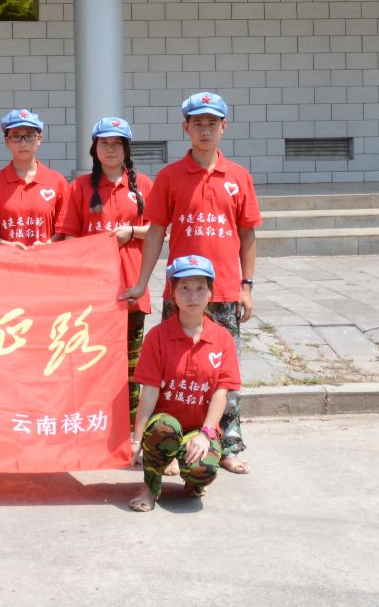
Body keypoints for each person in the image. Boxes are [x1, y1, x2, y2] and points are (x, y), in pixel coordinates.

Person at [121, 91, 261, 474]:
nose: (205, 130)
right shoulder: (169, 177)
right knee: (173, 371)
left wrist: (247, 286)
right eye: (197, 123)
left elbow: (248, 234)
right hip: (180, 294)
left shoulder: (238, 177)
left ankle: (227, 443)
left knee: (224, 374)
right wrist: (142, 283)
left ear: (224, 127)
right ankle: (165, 442)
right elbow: (155, 232)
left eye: (212, 123)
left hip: (224, 293)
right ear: (185, 127)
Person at [55, 117, 154, 422]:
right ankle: (91, 426)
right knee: (90, 364)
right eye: (104, 143)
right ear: (94, 148)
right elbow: (70, 237)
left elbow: (159, 230)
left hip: (132, 287)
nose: (110, 149)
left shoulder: (143, 185)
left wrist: (131, 232)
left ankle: (130, 430)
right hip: (92, 294)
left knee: (131, 368)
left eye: (117, 143)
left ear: (127, 149)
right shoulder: (80, 187)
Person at [129, 254, 240, 512]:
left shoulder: (222, 339)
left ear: (210, 293)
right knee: (164, 428)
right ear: (173, 294)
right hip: (165, 426)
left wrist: (205, 434)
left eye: (200, 288)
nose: (193, 296)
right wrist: (136, 440)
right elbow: (149, 392)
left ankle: (193, 482)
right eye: (185, 288)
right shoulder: (158, 337)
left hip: (200, 428)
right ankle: (150, 487)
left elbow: (221, 393)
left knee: (204, 469)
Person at [0, 108, 69, 247]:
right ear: (7, 140)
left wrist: (47, 244)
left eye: (29, 136)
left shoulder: (57, 182)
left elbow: (65, 228)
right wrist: (8, 246)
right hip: (8, 259)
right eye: (16, 136)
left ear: (39, 139)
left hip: (46, 259)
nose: (23, 143)